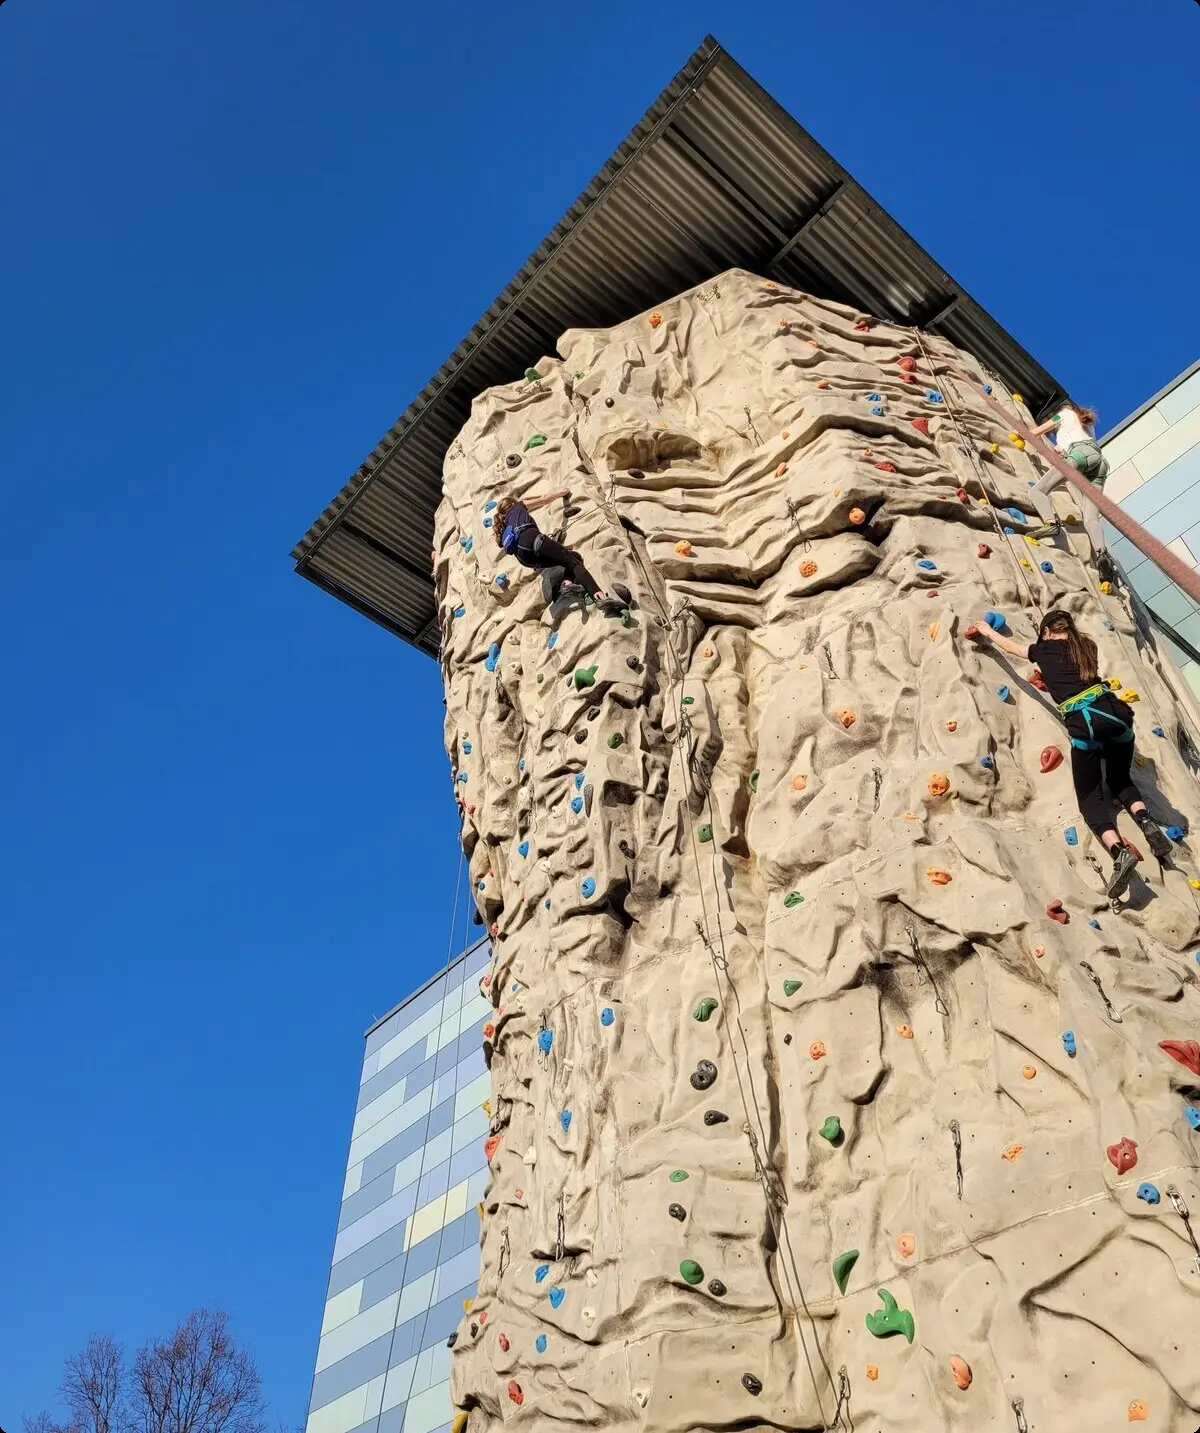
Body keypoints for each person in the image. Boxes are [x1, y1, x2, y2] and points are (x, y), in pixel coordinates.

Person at [967, 608, 1171, 898]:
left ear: (1047, 631)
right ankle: (1146, 822)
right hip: (1116, 716)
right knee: (1120, 778)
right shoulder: (1087, 647)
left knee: (1090, 799)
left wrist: (987, 632)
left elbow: (1012, 648)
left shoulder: (1043, 649)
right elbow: (1075, 676)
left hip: (1085, 724)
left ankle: (1119, 852)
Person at [1025, 402, 1115, 585]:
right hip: (1099, 463)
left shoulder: (1063, 414)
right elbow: (1059, 449)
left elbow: (1037, 432)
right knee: (1091, 518)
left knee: (1038, 491)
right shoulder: (1085, 425)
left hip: (1080, 454)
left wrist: (1024, 431)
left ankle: (1050, 523)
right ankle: (1102, 555)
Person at [494, 489, 610, 604]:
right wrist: (563, 492)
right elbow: (544, 499)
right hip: (531, 541)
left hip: (525, 559)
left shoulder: (504, 526)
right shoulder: (517, 506)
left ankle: (567, 585)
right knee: (574, 562)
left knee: (572, 557)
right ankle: (599, 595)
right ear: (512, 503)